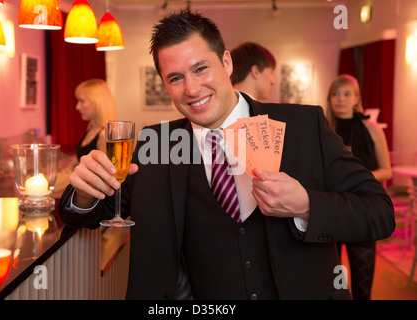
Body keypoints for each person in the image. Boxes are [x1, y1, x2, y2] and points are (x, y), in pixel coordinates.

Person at [59, 10, 395, 300]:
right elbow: (89, 215)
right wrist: (85, 192)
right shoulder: (154, 143)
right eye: (176, 78)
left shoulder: (303, 125)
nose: (191, 89)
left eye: (201, 68)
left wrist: (306, 205)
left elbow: (379, 212)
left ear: (227, 62)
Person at [326, 74, 393, 300]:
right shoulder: (323, 129)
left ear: (356, 98)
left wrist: (356, 179)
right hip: (332, 213)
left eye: (347, 94)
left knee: (362, 291)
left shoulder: (372, 129)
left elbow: (387, 170)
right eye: (335, 94)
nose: (340, 99)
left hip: (363, 213)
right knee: (334, 288)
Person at [74, 79, 117, 160]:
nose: (77, 107)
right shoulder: (91, 127)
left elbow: (108, 170)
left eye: (82, 101)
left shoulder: (105, 134)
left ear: (97, 103)